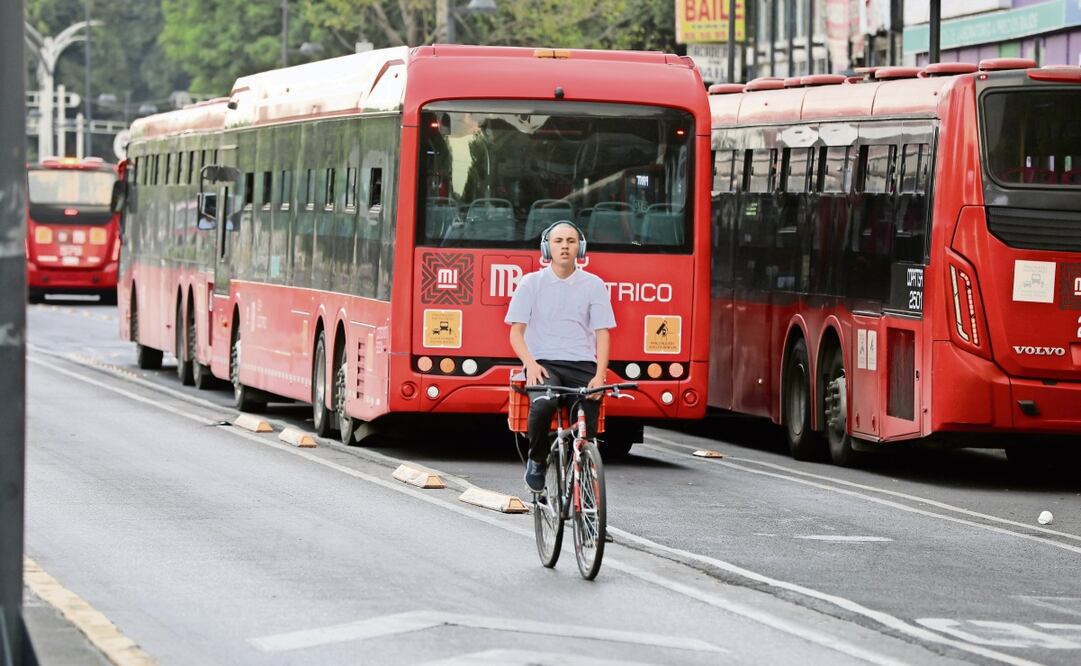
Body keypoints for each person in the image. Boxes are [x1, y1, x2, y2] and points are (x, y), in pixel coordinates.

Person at [505, 220, 616, 492]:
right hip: (544, 364)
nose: (565, 246)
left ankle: (586, 493)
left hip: (583, 365)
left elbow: (603, 333)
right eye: (558, 241)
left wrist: (600, 376)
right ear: (547, 248)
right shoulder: (531, 283)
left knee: (586, 427)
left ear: (580, 247)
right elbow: (516, 332)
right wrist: (530, 364)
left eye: (571, 241)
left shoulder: (594, 285)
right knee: (542, 405)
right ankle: (537, 459)